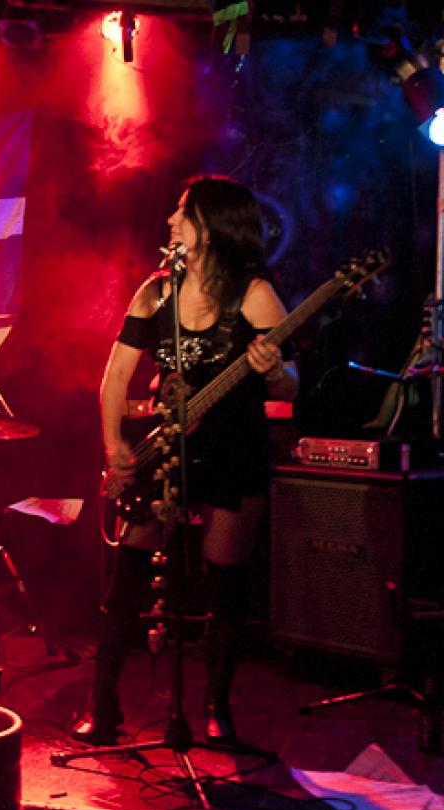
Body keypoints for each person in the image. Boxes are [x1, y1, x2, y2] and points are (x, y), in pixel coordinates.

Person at [74, 176, 298, 745]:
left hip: (234, 451)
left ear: (213, 226)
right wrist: (114, 446)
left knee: (226, 585)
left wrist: (274, 369)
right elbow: (115, 376)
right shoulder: (155, 294)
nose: (171, 221)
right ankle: (103, 705)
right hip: (167, 449)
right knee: (126, 579)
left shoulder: (253, 294)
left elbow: (291, 386)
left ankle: (217, 707)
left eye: (183, 213)